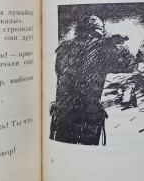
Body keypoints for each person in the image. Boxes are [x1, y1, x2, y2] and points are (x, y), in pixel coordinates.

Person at [50, 15, 137, 145]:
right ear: (97, 31)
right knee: (89, 154)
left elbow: (61, 72)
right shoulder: (103, 48)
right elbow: (131, 65)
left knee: (63, 149)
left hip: (63, 116)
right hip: (89, 118)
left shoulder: (63, 48)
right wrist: (113, 43)